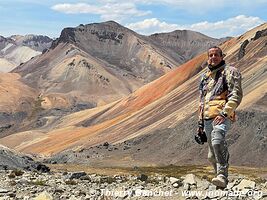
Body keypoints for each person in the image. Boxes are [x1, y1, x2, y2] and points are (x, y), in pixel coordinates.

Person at [197, 46, 243, 188]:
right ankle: (219, 180)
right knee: (211, 155)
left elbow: (236, 95)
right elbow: (202, 101)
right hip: (207, 118)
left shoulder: (230, 72)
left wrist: (225, 113)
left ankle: (222, 175)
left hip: (222, 114)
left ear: (222, 56)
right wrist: (200, 124)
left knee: (217, 140)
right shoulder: (205, 77)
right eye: (210, 55)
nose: (213, 57)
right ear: (208, 58)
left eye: (216, 54)